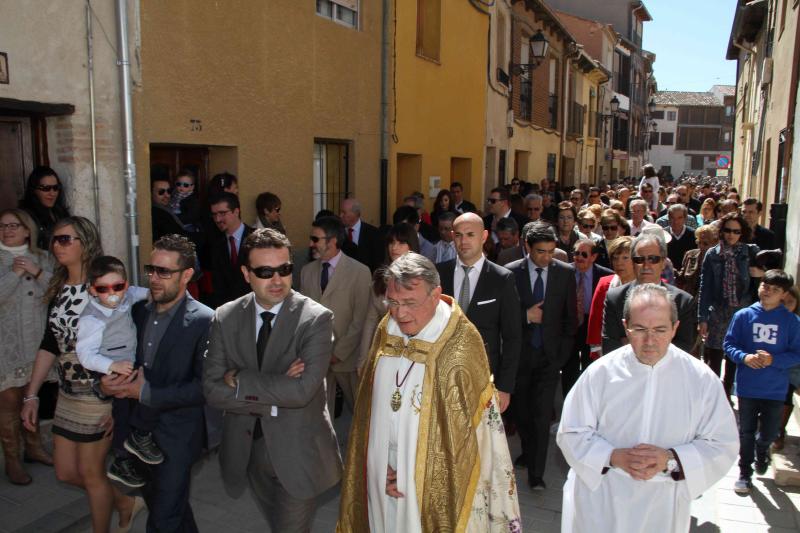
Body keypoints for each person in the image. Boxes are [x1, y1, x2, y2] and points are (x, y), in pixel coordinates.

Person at [337, 253, 521, 531]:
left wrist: (414, 474)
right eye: (393, 301)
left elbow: (472, 438)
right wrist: (375, 465)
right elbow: (366, 411)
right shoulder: (386, 330)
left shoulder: (460, 344)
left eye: (410, 303)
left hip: (435, 483)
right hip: (382, 476)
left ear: (436, 295)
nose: (400, 313)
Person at [557, 284, 739, 533]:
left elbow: (722, 443)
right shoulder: (600, 373)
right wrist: (613, 456)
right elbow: (571, 432)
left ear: (675, 328)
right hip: (602, 499)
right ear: (625, 327)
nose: (650, 340)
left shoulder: (700, 380)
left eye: (660, 330)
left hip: (663, 503)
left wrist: (671, 458)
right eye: (640, 329)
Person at [203, 228, 341, 531]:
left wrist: (238, 378)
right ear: (246, 273)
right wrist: (277, 391)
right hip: (248, 453)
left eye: (285, 269)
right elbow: (212, 390)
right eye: (265, 271)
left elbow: (302, 392)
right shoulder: (224, 317)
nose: (277, 280)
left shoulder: (316, 319)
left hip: (299, 454)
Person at [21, 217, 142, 532]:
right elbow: (50, 342)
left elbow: (131, 343)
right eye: (54, 239)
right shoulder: (59, 287)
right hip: (67, 393)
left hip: (98, 391)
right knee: (65, 473)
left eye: (65, 239)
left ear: (84, 242)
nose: (56, 245)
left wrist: (118, 400)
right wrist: (31, 394)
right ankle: (124, 500)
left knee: (91, 474)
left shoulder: (106, 286)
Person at [102, 234, 213, 531]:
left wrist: (146, 392)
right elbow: (119, 361)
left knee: (163, 519)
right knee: (171, 510)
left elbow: (205, 387)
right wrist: (108, 387)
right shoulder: (136, 313)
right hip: (135, 432)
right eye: (151, 269)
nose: (154, 278)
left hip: (176, 436)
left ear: (187, 274)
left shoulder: (206, 321)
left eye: (164, 272)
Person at [75, 256, 157, 488]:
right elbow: (86, 355)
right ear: (92, 290)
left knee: (142, 401)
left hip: (130, 364)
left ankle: (140, 437)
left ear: (126, 285)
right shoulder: (92, 319)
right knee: (121, 414)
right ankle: (121, 459)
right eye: (103, 289)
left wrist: (154, 295)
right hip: (112, 370)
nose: (113, 293)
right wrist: (110, 367)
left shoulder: (128, 295)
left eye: (118, 286)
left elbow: (144, 293)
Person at [507, 224, 577, 488]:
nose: (546, 258)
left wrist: (561, 356)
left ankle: (537, 475)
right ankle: (528, 450)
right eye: (540, 252)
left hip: (549, 358)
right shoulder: (511, 273)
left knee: (540, 415)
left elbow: (571, 319)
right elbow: (504, 317)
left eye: (551, 252)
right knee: (522, 413)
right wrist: (526, 317)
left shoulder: (564, 273)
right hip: (520, 357)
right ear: (527, 246)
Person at [437, 212, 522, 413]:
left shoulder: (502, 278)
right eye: (458, 235)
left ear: (484, 236)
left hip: (485, 378)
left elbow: (512, 337)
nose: (463, 241)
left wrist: (504, 387)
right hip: (442, 375)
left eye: (470, 235)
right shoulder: (439, 274)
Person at [725, 270, 800, 494]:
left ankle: (761, 449)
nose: (768, 291)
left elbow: (797, 353)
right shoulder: (744, 316)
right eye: (765, 286)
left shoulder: (791, 321)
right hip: (748, 386)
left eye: (775, 290)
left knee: (768, 432)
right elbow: (729, 345)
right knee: (745, 431)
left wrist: (773, 360)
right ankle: (744, 472)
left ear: (784, 295)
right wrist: (745, 357)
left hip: (775, 389)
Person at [0, 209, 53, 485]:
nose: (7, 230)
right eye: (3, 226)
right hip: (5, 345)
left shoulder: (43, 257)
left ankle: (33, 447)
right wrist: (15, 274)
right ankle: (12, 459)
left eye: (14, 225)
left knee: (31, 395)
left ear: (27, 230)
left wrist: (37, 271)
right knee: (8, 401)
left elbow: (57, 291)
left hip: (35, 341)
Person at [300, 216, 371, 416]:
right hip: (317, 357)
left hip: (348, 359)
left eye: (315, 239)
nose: (310, 244)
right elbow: (303, 314)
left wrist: (337, 353)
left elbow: (361, 319)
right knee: (321, 417)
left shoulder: (360, 272)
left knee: (362, 413)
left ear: (332, 241)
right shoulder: (306, 271)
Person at [602, 231, 696, 355]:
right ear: (633, 263)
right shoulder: (614, 298)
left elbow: (684, 347)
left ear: (663, 263)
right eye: (639, 259)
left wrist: (630, 342)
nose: (646, 265)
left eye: (653, 259)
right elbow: (610, 346)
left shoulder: (683, 301)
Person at [698, 212, 760, 399]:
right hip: (719, 310)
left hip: (742, 311)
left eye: (736, 231)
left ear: (742, 233)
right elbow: (705, 287)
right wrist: (702, 318)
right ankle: (714, 395)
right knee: (714, 356)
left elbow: (759, 283)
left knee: (735, 356)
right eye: (727, 230)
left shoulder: (750, 252)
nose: (731, 235)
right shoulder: (712, 254)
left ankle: (726, 394)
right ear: (721, 231)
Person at [357, 223, 420, 371]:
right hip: (384, 352)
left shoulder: (424, 277)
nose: (394, 247)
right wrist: (363, 359)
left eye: (401, 242)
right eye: (391, 242)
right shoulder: (379, 276)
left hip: (415, 355)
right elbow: (370, 321)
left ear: (412, 245)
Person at [562, 238, 613, 396]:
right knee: (569, 367)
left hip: (591, 326)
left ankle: (587, 397)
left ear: (593, 257)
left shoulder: (605, 276)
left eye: (584, 254)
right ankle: (569, 399)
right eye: (576, 253)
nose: (579, 257)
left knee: (589, 366)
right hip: (570, 325)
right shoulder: (564, 272)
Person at [586, 237, 635, 359]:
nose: (619, 263)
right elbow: (595, 317)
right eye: (615, 258)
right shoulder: (604, 283)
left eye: (625, 258)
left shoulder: (645, 284)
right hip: (608, 347)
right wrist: (596, 348)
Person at [208, 192, 254, 308]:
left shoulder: (257, 238)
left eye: (222, 213)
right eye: (214, 215)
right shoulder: (216, 245)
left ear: (236, 211)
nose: (218, 219)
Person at [19, 166, 71, 250]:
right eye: (46, 188)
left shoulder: (60, 213)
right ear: (34, 190)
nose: (52, 193)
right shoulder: (25, 216)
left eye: (55, 188)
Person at [340, 198, 384, 272]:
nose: (340, 215)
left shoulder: (373, 233)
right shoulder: (338, 232)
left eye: (344, 212)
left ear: (355, 214)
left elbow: (378, 262)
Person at [676, 224, 718, 298]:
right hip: (689, 300)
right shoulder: (690, 255)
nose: (701, 246)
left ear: (715, 243)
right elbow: (682, 278)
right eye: (699, 242)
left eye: (705, 243)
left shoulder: (719, 260)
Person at [665, 203, 697, 268]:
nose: (676, 221)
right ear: (668, 218)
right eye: (672, 218)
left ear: (685, 218)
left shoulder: (693, 235)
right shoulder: (663, 234)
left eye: (679, 218)